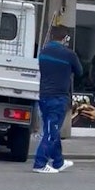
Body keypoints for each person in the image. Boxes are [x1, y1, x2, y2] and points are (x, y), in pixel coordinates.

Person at [33, 25, 83, 174]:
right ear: (65, 38)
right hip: (59, 97)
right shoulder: (69, 54)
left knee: (52, 129)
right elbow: (80, 72)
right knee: (51, 131)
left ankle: (58, 162)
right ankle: (40, 163)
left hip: (44, 95)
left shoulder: (43, 52)